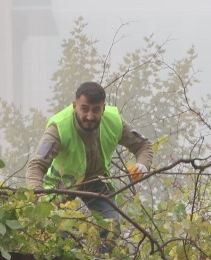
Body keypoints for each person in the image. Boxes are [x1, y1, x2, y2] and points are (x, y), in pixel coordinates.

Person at [23, 81, 154, 220]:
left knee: (111, 226)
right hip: (62, 184)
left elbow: (143, 145)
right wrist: (38, 197)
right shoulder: (58, 128)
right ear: (75, 106)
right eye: (84, 109)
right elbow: (36, 165)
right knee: (58, 232)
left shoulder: (115, 122)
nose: (90, 116)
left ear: (103, 109)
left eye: (96, 110)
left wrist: (143, 166)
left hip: (97, 181)